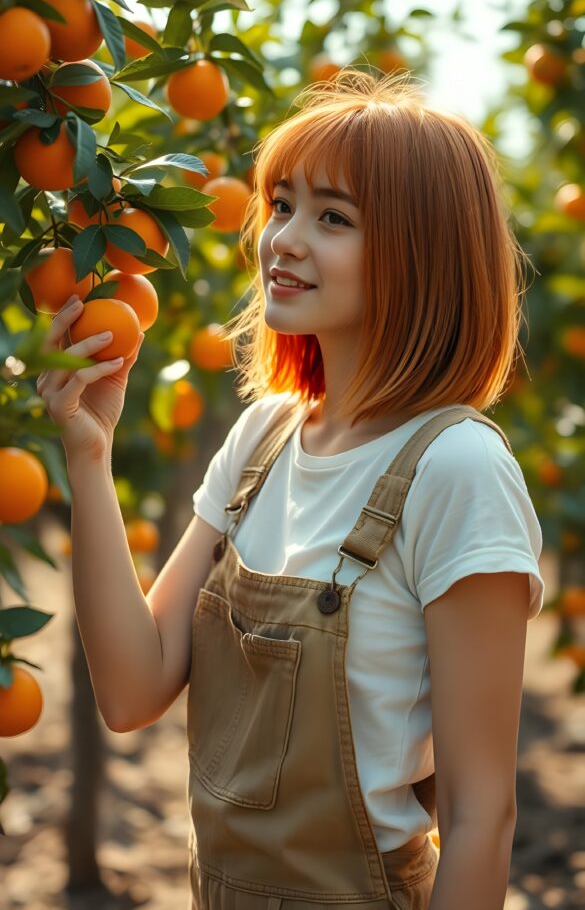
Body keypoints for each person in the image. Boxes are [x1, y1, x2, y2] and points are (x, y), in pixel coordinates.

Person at [38, 69, 545, 910]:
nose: (285, 240)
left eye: (333, 217)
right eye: (280, 205)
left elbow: (478, 813)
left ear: (423, 254)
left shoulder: (455, 471)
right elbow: (131, 691)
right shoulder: (264, 439)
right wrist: (88, 457)